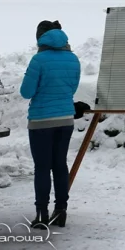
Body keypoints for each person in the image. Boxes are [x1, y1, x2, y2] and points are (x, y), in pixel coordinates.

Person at [20, 20, 81, 230]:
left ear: (40, 38)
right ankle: (61, 211)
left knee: (43, 167)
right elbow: (72, 89)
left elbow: (26, 92)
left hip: (41, 121)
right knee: (60, 165)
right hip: (65, 119)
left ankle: (41, 214)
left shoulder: (38, 60)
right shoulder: (73, 59)